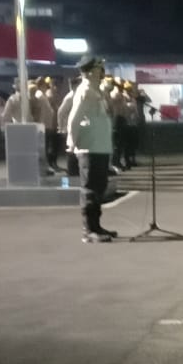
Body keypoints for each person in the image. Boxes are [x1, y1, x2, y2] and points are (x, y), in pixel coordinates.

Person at [67, 57, 118, 243]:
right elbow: (74, 118)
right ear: (89, 71)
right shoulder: (86, 91)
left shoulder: (96, 91)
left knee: (98, 188)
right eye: (99, 67)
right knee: (90, 189)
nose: (102, 70)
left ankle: (96, 226)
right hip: (90, 148)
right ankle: (89, 230)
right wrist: (72, 142)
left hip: (100, 147)